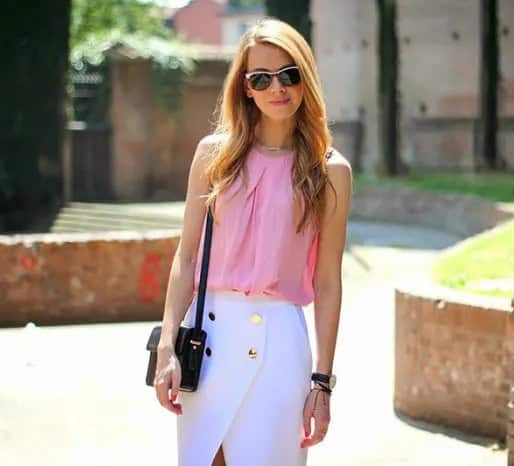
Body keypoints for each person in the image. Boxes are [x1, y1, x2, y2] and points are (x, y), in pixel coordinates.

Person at [153, 17, 352, 466]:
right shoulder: (213, 154)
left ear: (306, 77)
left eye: (289, 74)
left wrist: (321, 383)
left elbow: (327, 283)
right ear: (245, 88)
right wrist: (167, 346)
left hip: (281, 346)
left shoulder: (330, 170)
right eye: (260, 78)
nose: (276, 88)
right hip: (209, 343)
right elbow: (186, 258)